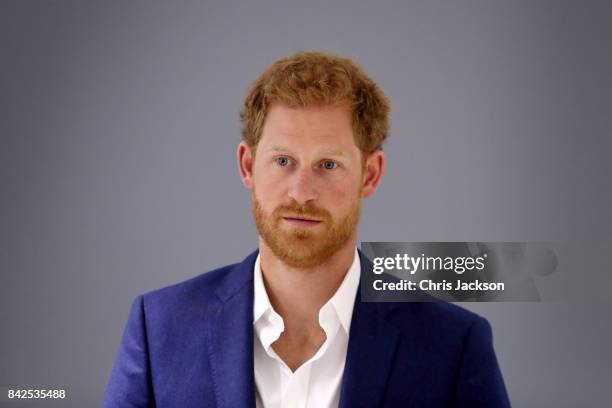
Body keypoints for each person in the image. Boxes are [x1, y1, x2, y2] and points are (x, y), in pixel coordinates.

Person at [104, 51, 511, 408]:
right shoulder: (159, 328)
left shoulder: (453, 344)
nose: (302, 192)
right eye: (283, 161)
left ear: (369, 175)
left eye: (328, 165)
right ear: (247, 165)